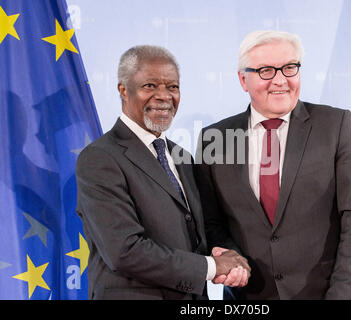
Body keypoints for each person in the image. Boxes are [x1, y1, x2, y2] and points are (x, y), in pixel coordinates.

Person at [194, 30, 351, 299]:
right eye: (266, 71)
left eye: (289, 68)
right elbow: (211, 224)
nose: (280, 80)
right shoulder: (215, 139)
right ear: (243, 80)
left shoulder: (335, 126)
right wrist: (229, 257)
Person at [75, 45, 250, 300]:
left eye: (172, 87)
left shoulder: (183, 158)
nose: (164, 96)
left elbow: (199, 234)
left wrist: (230, 258)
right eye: (150, 86)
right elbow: (124, 251)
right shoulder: (99, 158)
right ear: (123, 90)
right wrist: (211, 267)